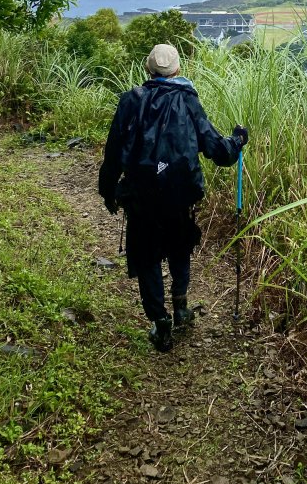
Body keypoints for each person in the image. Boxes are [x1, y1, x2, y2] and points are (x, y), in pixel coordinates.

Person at [99, 42, 248, 352]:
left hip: (141, 194)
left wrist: (108, 189)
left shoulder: (131, 100)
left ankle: (160, 322)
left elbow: (113, 151)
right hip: (181, 193)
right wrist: (237, 140)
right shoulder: (188, 100)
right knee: (179, 246)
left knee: (146, 255)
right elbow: (217, 150)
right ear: (178, 70)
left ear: (148, 70)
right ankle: (180, 307)